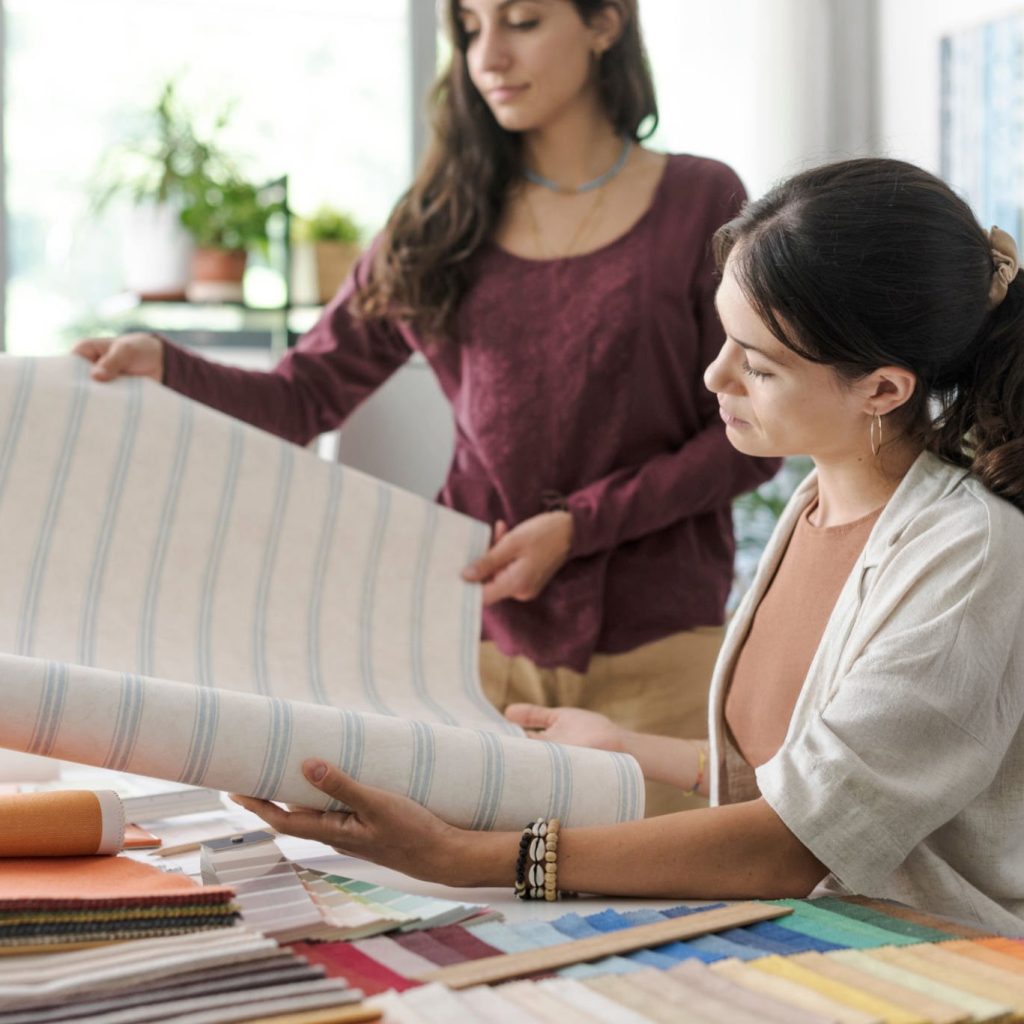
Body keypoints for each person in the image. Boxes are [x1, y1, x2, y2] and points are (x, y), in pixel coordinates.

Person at [232, 157, 1024, 934]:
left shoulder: (969, 554)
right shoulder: (821, 503)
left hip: (940, 965)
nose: (715, 377)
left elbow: (791, 841)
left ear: (883, 390)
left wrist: (466, 856)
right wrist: (628, 749)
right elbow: (808, 783)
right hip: (828, 943)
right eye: (724, 343)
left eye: (757, 366)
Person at [76, 0, 777, 816]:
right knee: (477, 920)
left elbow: (750, 438)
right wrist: (170, 366)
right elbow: (304, 398)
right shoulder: (438, 221)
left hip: (662, 652)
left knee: (681, 922)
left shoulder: (701, 199)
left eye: (521, 21)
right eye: (471, 29)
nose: (489, 57)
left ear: (604, 23)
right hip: (468, 654)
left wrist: (581, 526)